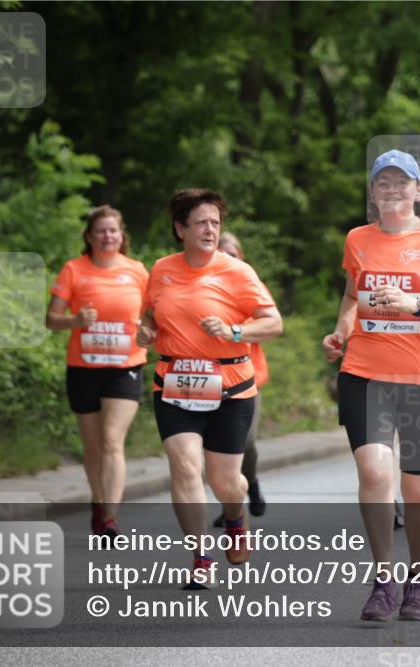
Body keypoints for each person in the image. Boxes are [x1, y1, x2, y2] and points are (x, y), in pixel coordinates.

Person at [322, 150, 420, 622]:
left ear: (418, 191)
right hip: (365, 372)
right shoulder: (357, 239)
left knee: (419, 492)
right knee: (376, 475)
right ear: (373, 193)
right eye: (383, 181)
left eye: (402, 182)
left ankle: (418, 578)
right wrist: (342, 329)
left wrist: (413, 304)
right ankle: (384, 579)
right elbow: (350, 294)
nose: (392, 189)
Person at [137, 189, 282, 586]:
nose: (210, 229)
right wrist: (146, 329)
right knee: (184, 466)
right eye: (201, 222)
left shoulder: (237, 272)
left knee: (226, 483)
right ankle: (201, 557)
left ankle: (235, 518)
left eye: (215, 222)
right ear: (180, 228)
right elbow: (151, 312)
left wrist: (235, 329)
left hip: (230, 388)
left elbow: (273, 323)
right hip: (175, 385)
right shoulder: (162, 269)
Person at [47, 205, 148, 538]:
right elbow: (51, 319)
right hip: (83, 368)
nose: (107, 236)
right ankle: (98, 500)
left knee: (110, 440)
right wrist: (75, 321)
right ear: (89, 237)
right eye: (101, 231)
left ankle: (110, 518)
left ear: (122, 236)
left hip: (126, 366)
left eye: (113, 231)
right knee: (92, 446)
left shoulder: (136, 271)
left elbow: (154, 314)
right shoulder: (74, 270)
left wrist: (146, 328)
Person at [211, 231, 270, 526]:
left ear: (241, 258)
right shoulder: (201, 287)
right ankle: (229, 507)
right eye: (222, 254)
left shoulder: (250, 287)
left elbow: (268, 324)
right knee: (218, 449)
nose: (227, 260)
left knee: (245, 443)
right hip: (205, 380)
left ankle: (252, 481)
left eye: (232, 255)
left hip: (246, 378)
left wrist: (233, 328)